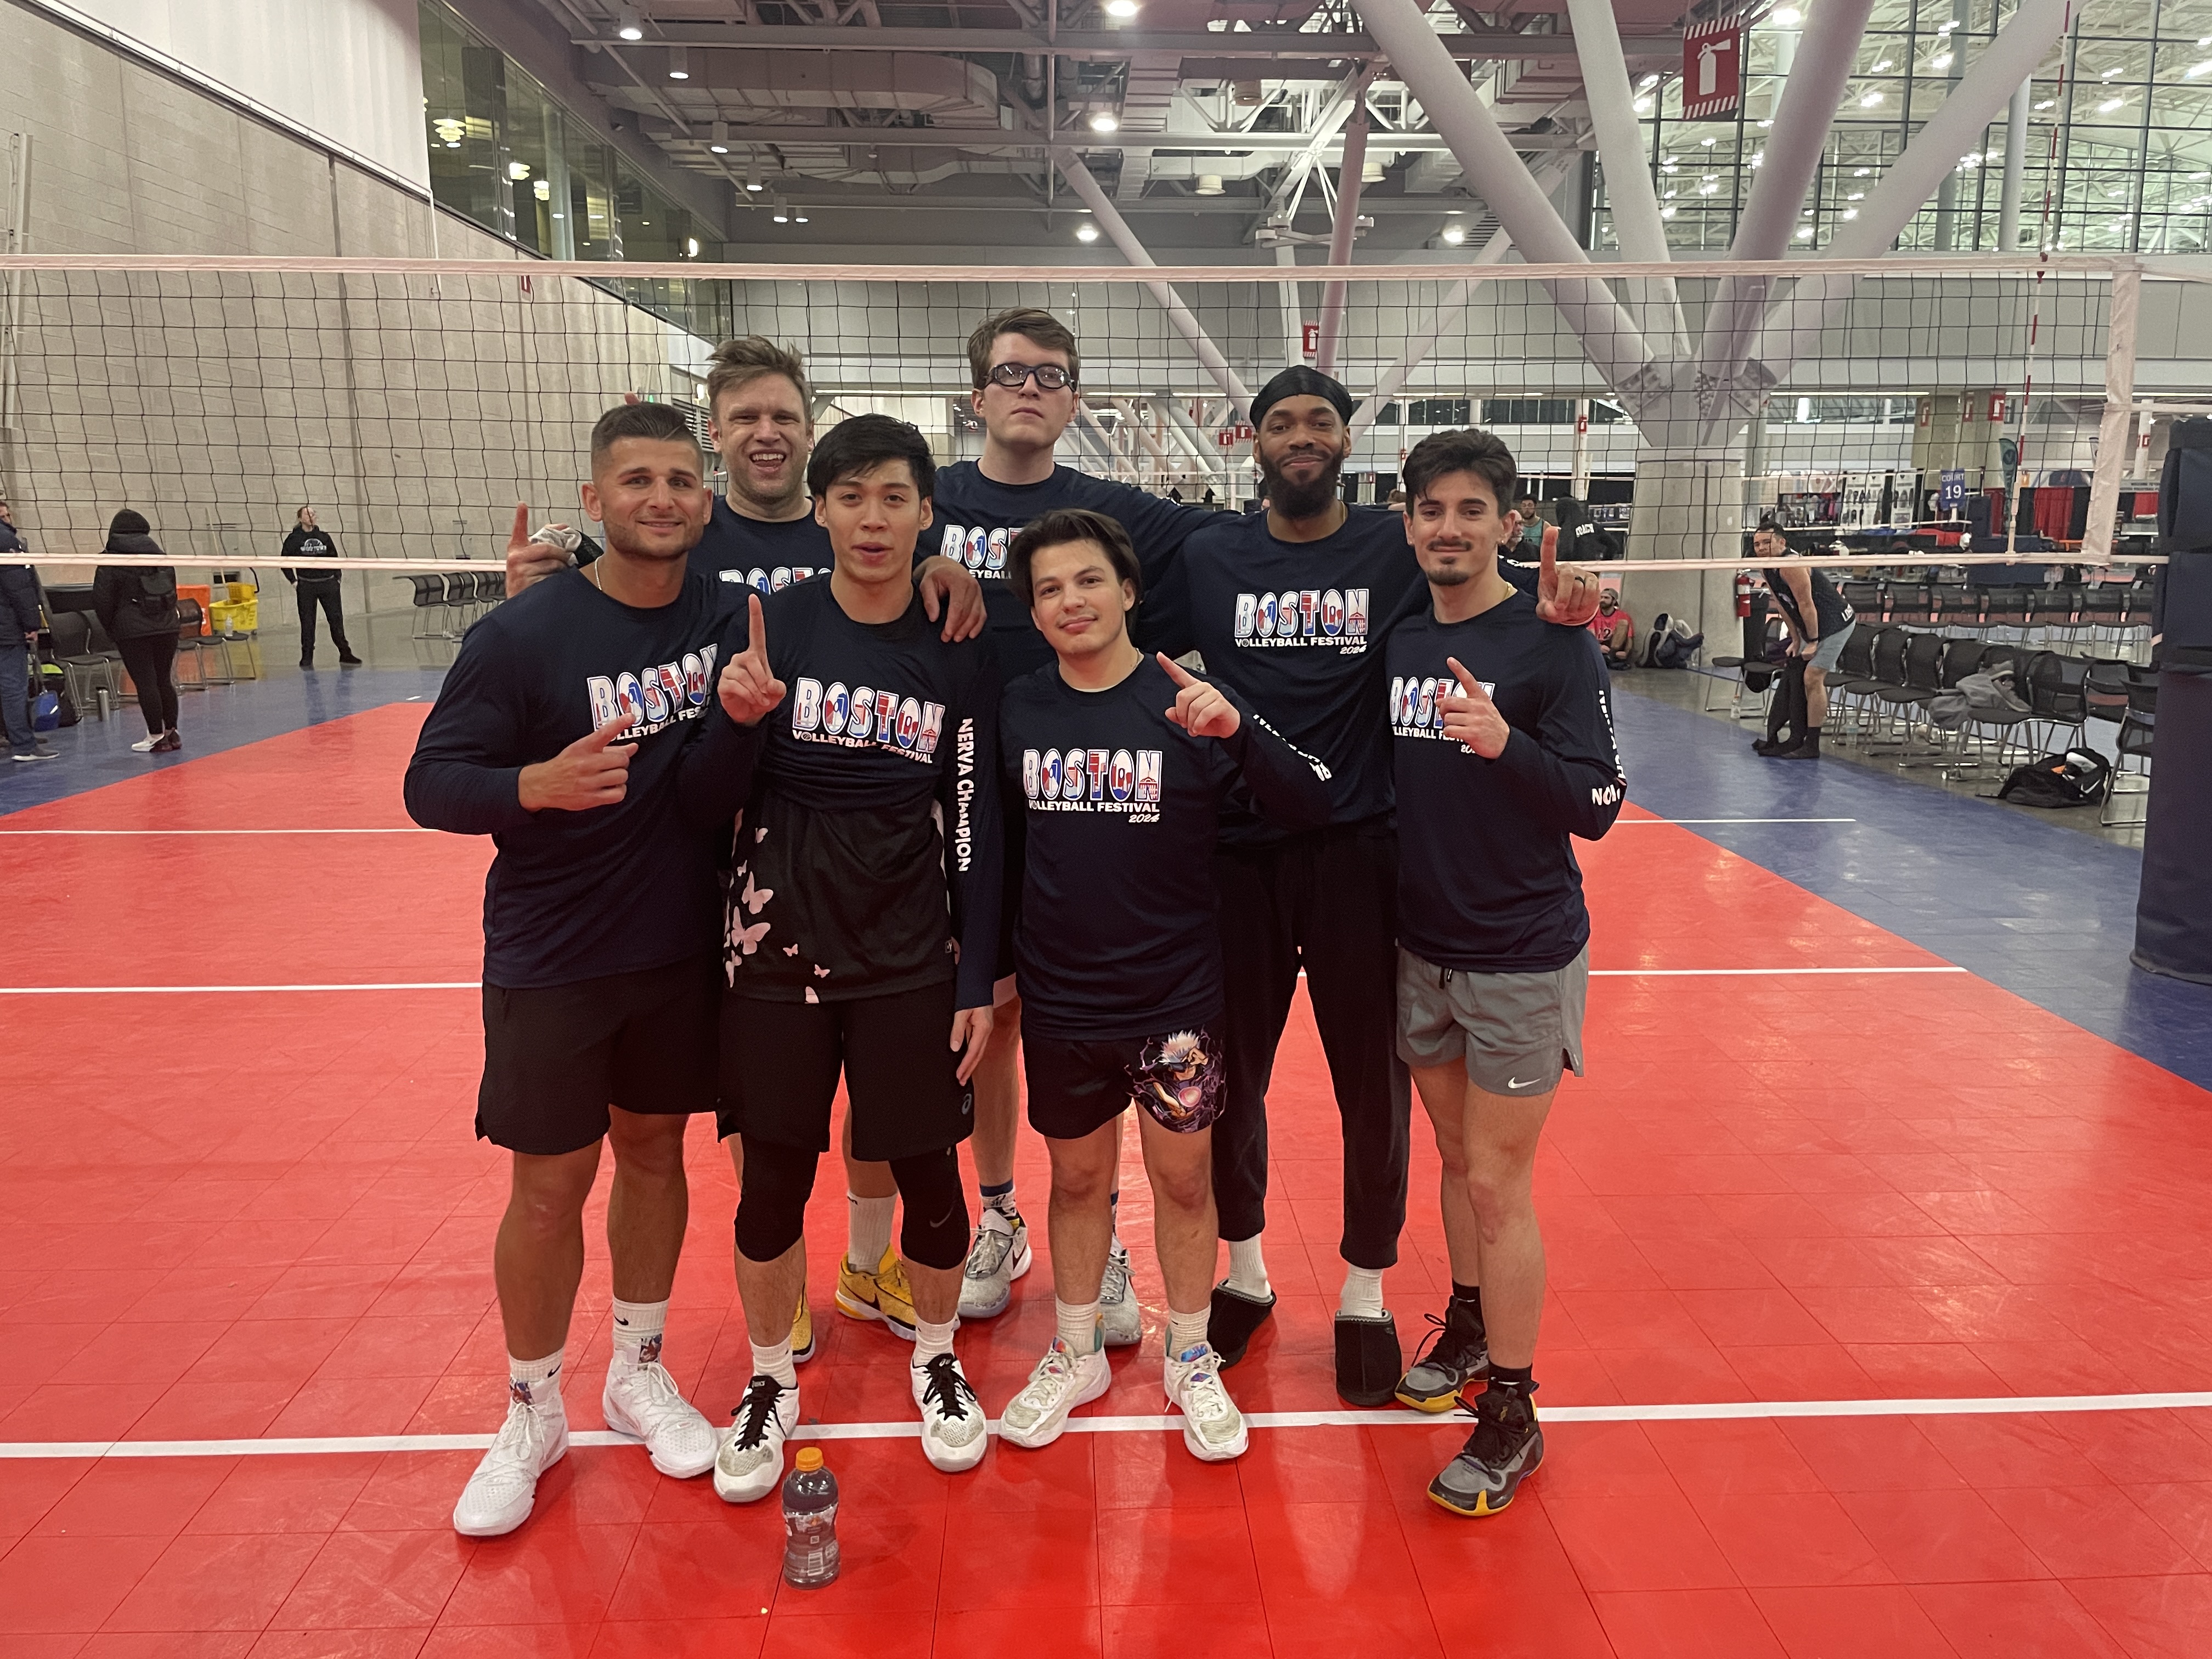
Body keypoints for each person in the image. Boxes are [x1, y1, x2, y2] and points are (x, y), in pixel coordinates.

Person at [1148, 366, 1604, 1406]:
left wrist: (1574, 598)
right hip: (1241, 851)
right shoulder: (1210, 554)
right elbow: (1115, 618)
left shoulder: (1392, 549)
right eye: (1280, 423)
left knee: (1374, 1088)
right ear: (1253, 441)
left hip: (1364, 854)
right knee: (1233, 1080)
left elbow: (1484, 574)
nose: (1300, 436)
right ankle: (1246, 1271)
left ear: (1348, 442)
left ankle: (1365, 1289)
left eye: (1320, 421)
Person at [404, 402, 731, 1537]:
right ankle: (530, 1408)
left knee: (656, 1152)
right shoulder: (522, 634)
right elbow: (429, 783)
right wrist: (526, 787)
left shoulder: (726, 615)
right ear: (594, 500)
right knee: (548, 1188)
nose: (661, 498)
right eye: (636, 480)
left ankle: (636, 1370)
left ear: (705, 499)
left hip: (678, 948)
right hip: (553, 955)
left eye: (680, 480)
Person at [687, 414, 1003, 1500]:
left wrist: (976, 974)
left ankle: (938, 1360)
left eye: (894, 497)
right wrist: (735, 723)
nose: (873, 519)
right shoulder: (773, 627)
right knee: (771, 1183)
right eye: (853, 496)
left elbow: (975, 814)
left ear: (926, 512)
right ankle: (770, 1378)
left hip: (909, 951)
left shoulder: (954, 641)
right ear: (819, 508)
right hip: (775, 951)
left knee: (929, 1174)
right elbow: (703, 802)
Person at [993, 508, 1330, 1461]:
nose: (1071, 601)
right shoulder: (1018, 708)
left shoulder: (1188, 698)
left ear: (1129, 591)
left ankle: (1188, 1353)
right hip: (1062, 1001)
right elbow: (999, 852)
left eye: (1088, 580)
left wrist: (1238, 732)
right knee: (1076, 1180)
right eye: (1049, 588)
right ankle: (1076, 1349)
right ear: (1034, 611)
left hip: (1175, 1003)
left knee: (1183, 1182)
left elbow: (1311, 795)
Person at [927, 307, 1227, 1338]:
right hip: (965, 783)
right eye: (1011, 373)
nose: (1030, 388)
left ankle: (1102, 1241)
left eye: (1051, 375)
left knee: (1079, 1019)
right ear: (977, 395)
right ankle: (1001, 1214)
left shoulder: (1115, 508)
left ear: (1074, 398)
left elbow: (1246, 544)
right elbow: (820, 541)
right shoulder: (927, 502)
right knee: (992, 1013)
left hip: (1087, 786)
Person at [1384, 427, 1623, 1515]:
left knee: (1495, 1180)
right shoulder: (1400, 635)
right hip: (1420, 948)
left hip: (1520, 954)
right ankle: (1474, 1323)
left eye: (1471, 510)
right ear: (1408, 524)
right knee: (1453, 1156)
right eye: (1431, 509)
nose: (1449, 528)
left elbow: (1598, 803)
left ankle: (1514, 1408)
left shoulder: (1553, 641)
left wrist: (1504, 744)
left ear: (1509, 525)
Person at [1754, 520, 1857, 760]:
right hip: (1811, 624)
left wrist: (1812, 640)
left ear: (1782, 542)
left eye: (1766, 543)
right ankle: (1795, 737)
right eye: (1757, 544)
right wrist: (1795, 638)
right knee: (1796, 671)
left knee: (1812, 677)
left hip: (1836, 623)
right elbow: (1783, 604)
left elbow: (1806, 605)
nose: (1761, 548)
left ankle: (1812, 745)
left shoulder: (1792, 565)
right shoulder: (1766, 568)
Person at [92, 510, 182, 755]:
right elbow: (172, 592)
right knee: (163, 679)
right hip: (167, 627)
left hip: (133, 631)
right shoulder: (160, 556)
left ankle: (156, 736)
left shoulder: (111, 559)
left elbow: (102, 600)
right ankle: (172, 733)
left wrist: (113, 628)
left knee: (146, 682)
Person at [0, 505, 55, 763]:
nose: (7, 520)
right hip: (6, 629)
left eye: (7, 515)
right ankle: (24, 745)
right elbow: (20, 589)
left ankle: (16, 737)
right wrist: (32, 625)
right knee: (13, 687)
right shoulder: (6, 541)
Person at [280, 507, 360, 669]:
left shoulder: (324, 537)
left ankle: (345, 653)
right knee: (307, 622)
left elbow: (334, 558)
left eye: (313, 514)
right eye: (307, 514)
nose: (311, 516)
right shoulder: (294, 539)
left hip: (328, 584)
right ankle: (307, 657)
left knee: (336, 620)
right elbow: (284, 561)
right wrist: (293, 581)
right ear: (300, 518)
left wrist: (337, 578)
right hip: (306, 585)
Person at [1588, 590, 1635, 669]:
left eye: (1606, 598)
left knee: (1623, 623)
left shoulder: (1623, 615)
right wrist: (1598, 646)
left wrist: (1626, 653)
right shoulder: (1594, 614)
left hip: (1615, 647)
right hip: (1598, 645)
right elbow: (1589, 635)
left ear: (1614, 601)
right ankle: (1609, 661)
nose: (1602, 600)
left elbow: (1629, 638)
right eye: (1601, 597)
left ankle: (1610, 658)